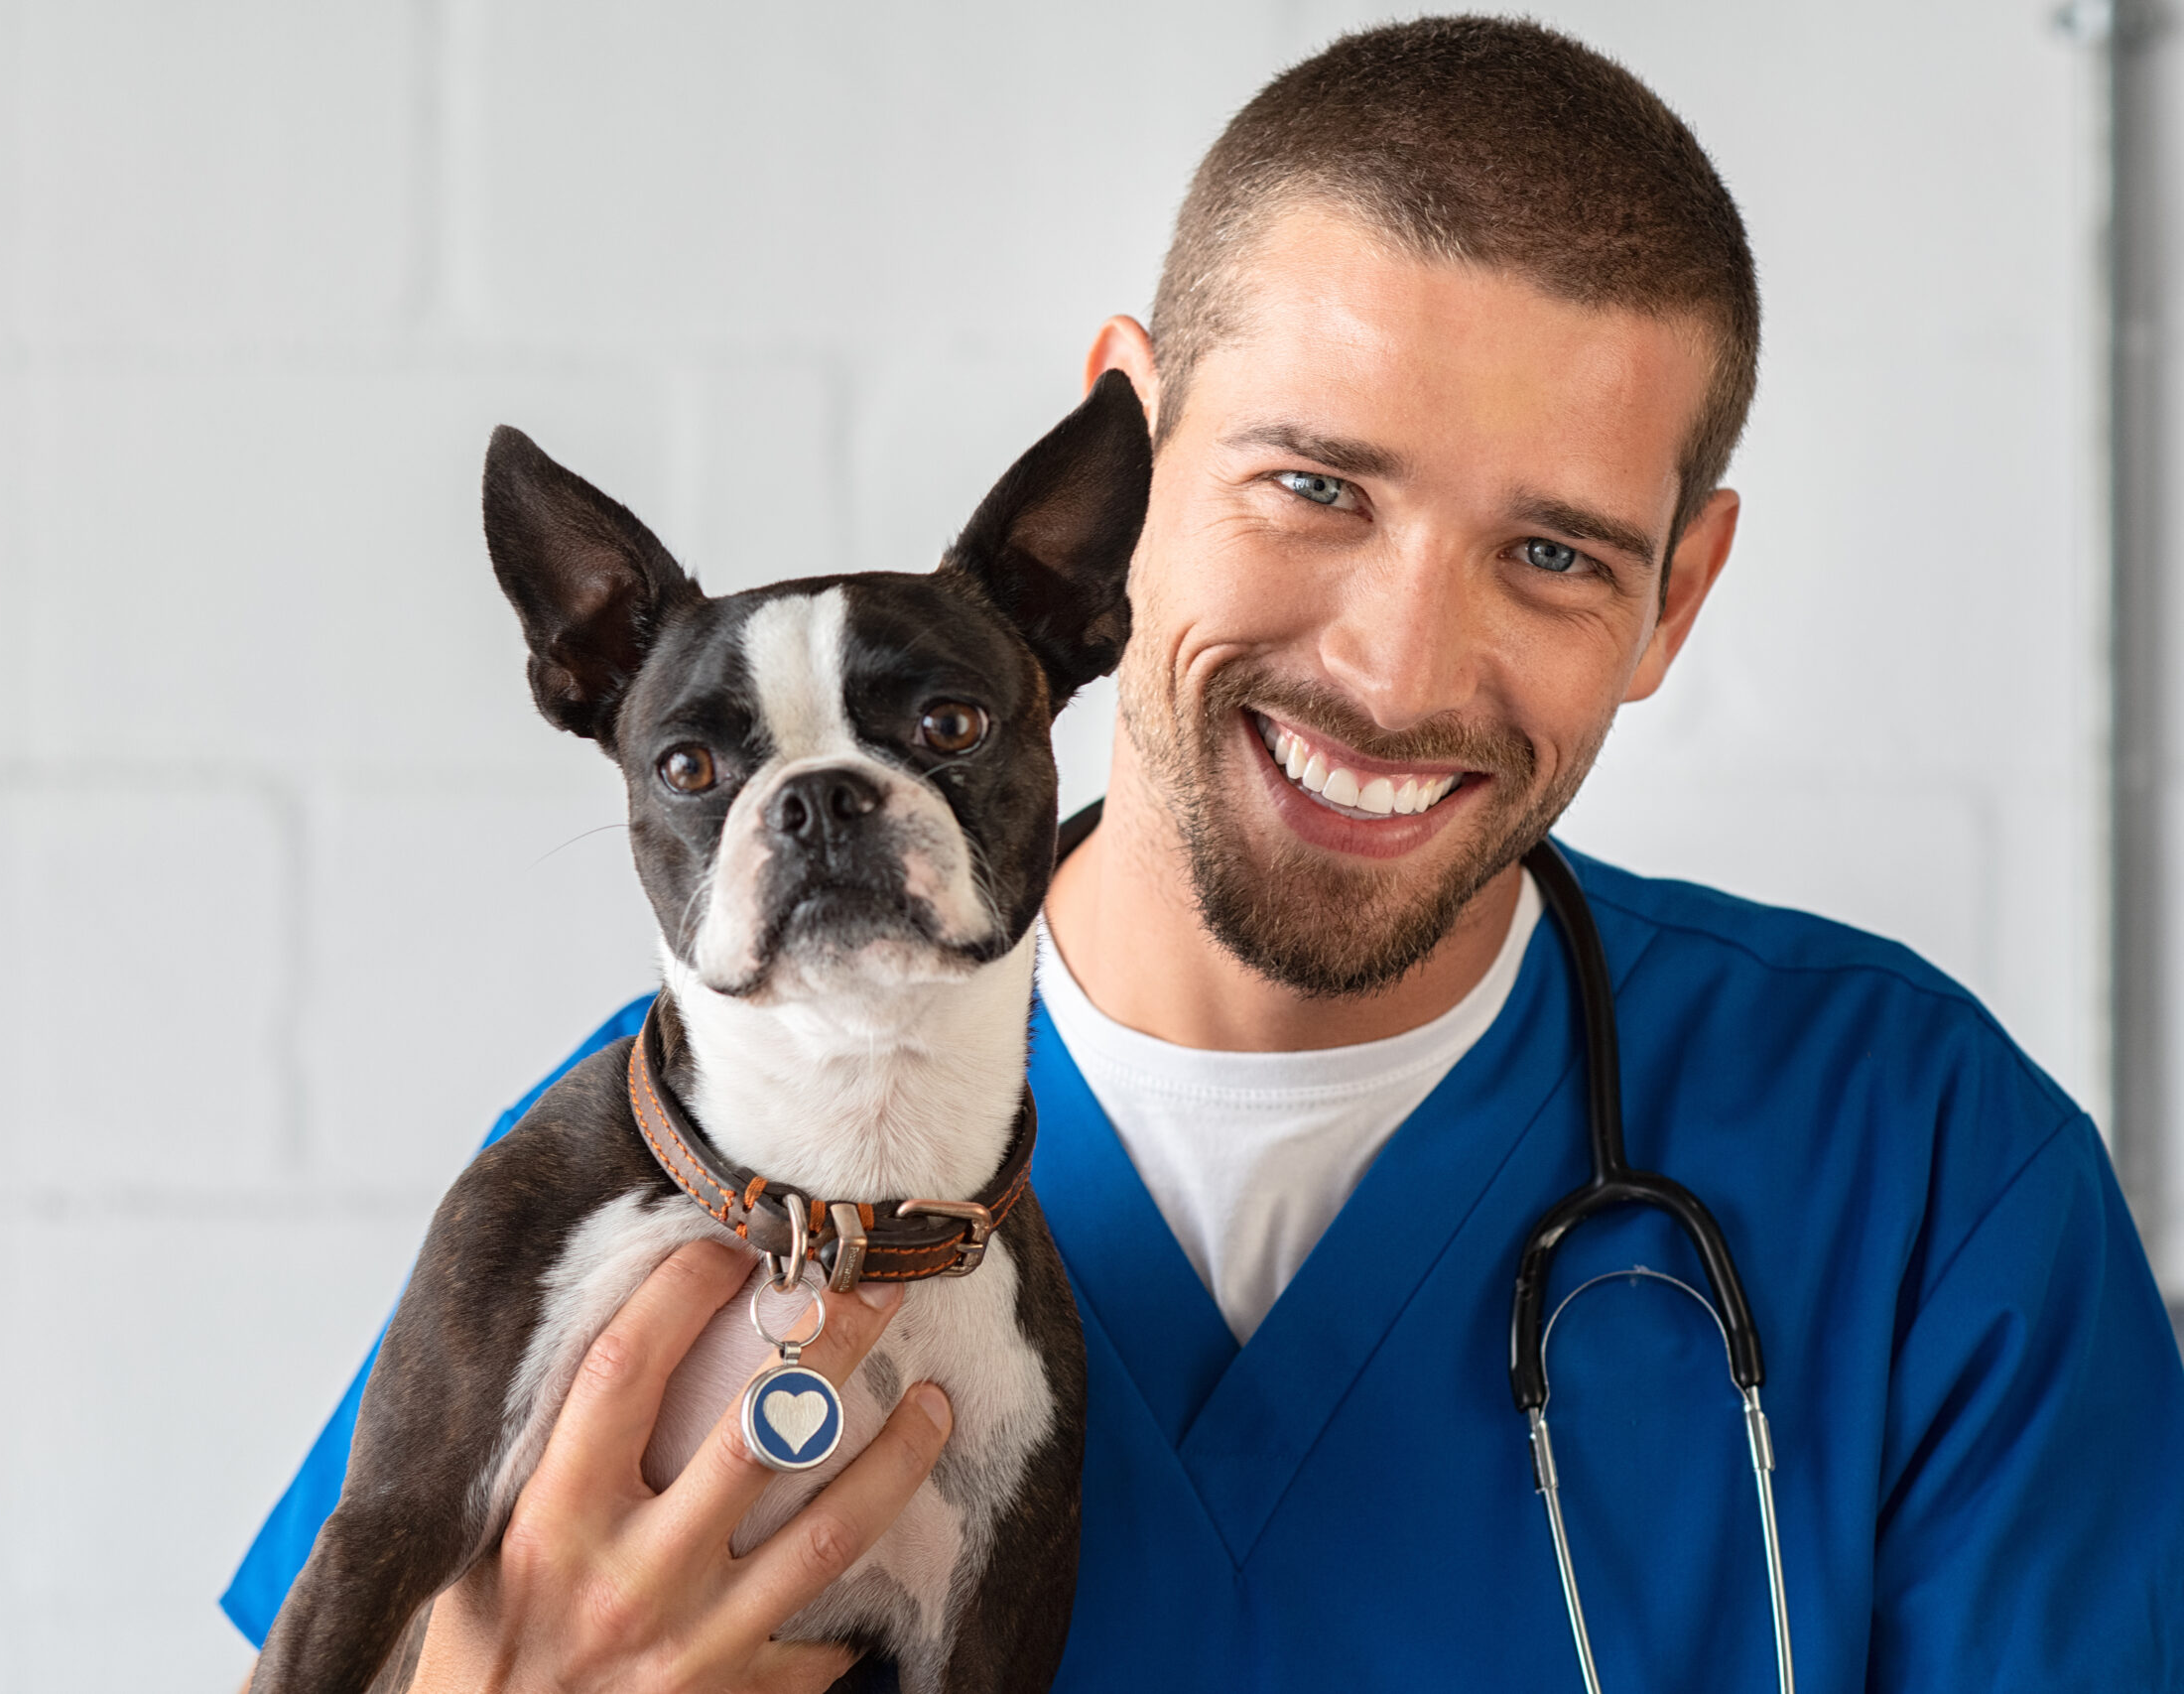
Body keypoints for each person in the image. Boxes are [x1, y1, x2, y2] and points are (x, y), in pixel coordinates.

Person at [224, 17, 2184, 1690]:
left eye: (1553, 551)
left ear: (1677, 596)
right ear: (1130, 457)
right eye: (1312, 484)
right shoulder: (654, 1154)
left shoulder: (1920, 1166)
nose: (1395, 667)